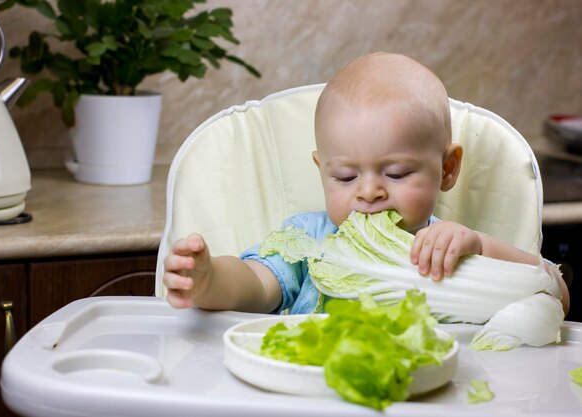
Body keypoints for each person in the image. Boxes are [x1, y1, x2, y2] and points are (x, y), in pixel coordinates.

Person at [163, 52, 570, 315]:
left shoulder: (450, 249)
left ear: (447, 169)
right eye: (345, 176)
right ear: (321, 170)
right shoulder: (309, 243)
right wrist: (210, 280)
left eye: (396, 174)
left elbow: (555, 297)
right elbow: (254, 284)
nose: (369, 191)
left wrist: (479, 247)